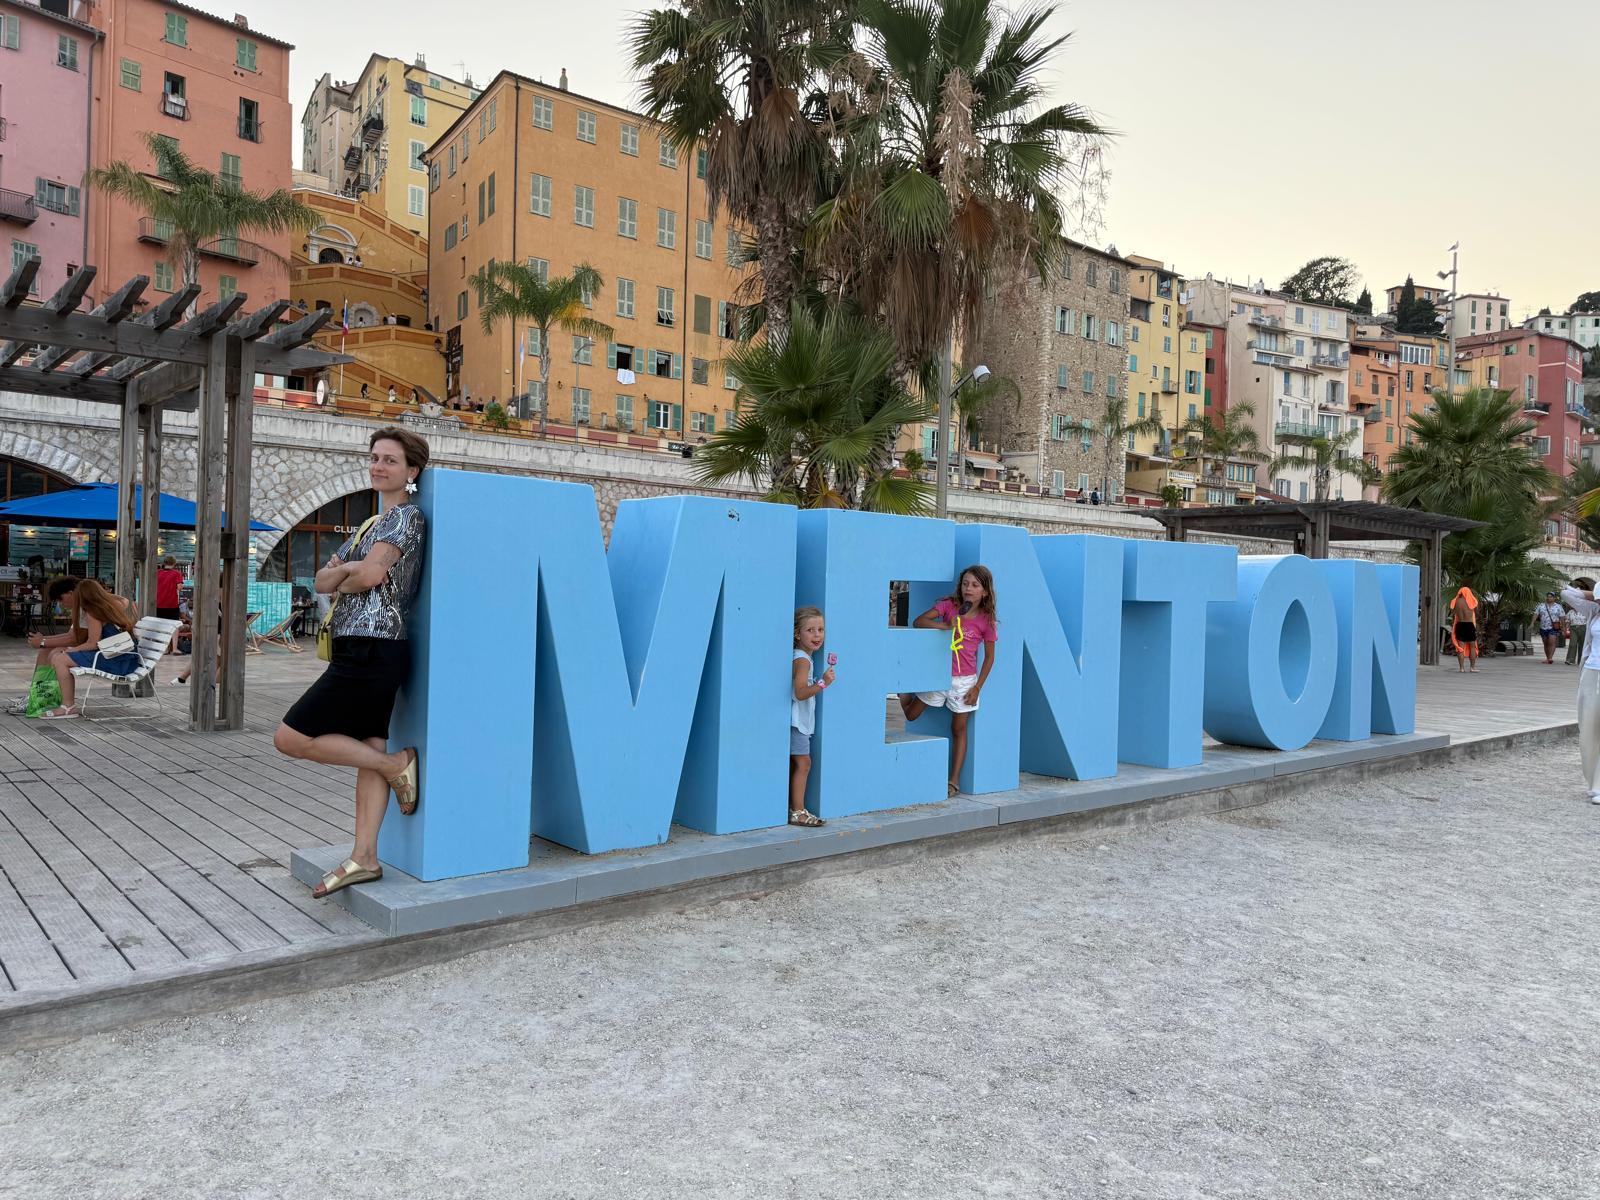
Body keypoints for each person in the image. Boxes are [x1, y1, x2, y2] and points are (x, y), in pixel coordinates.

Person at [273, 427, 428, 899]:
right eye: (375, 458)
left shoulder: (406, 518)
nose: (379, 466)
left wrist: (348, 573)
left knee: (290, 737)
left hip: (375, 648)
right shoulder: (368, 524)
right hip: (356, 646)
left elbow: (372, 574)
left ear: (412, 471)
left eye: (391, 460)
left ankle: (396, 764)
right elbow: (321, 581)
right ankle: (365, 855)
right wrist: (346, 574)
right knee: (367, 743)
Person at [898, 565, 999, 798]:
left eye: (975, 585)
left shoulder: (986, 620)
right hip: (938, 675)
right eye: (965, 584)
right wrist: (944, 625)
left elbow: (990, 658)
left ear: (984, 591)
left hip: (964, 681)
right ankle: (904, 693)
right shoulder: (949, 606)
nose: (968, 589)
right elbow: (919, 621)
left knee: (958, 728)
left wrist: (977, 687)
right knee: (911, 714)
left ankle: (953, 780)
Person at [31, 579, 141, 720]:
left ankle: (67, 706)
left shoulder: (92, 612)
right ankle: (53, 700)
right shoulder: (106, 606)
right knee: (58, 655)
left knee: (60, 659)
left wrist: (72, 650)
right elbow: (124, 601)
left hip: (116, 660)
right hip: (124, 658)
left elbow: (93, 643)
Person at [789, 607, 834, 828]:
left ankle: (797, 808)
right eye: (810, 630)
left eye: (820, 630)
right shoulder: (803, 660)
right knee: (804, 763)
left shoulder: (804, 657)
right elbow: (799, 692)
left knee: (800, 763)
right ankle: (797, 811)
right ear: (798, 634)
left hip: (800, 721)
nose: (817, 635)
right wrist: (823, 683)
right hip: (797, 722)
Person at [1561, 578, 1600, 803]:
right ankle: (1593, 779)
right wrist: (1591, 595)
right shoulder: (1594, 611)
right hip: (1591, 672)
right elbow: (1566, 594)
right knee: (1588, 728)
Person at [1449, 586, 1479, 673]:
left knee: (1460, 648)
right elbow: (1476, 612)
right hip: (1469, 625)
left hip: (1460, 625)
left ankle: (1461, 668)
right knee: (1472, 647)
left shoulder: (1455, 601)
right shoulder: (1472, 601)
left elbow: (1453, 613)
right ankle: (1472, 668)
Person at [1535, 591, 1564, 664]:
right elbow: (1535, 614)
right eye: (1548, 596)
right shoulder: (1541, 605)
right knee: (1546, 644)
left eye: (1551, 596)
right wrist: (1532, 623)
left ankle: (1550, 658)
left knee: (1552, 643)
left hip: (1553, 627)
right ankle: (1548, 658)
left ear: (1554, 598)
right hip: (1543, 627)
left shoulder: (1558, 607)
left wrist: (1563, 628)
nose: (1549, 598)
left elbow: (1562, 617)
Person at [155, 556, 183, 622]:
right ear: (174, 563)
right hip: (172, 605)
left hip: (158, 604)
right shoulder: (177, 573)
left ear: (164, 563)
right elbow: (180, 587)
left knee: (159, 625)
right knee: (172, 626)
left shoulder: (157, 573)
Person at [1567, 589, 1590, 667]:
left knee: (1582, 645)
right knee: (1572, 644)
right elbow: (1568, 621)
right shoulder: (1570, 612)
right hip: (1573, 628)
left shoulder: (1585, 611)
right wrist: (1566, 629)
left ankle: (1581, 660)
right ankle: (1570, 659)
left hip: (1584, 628)